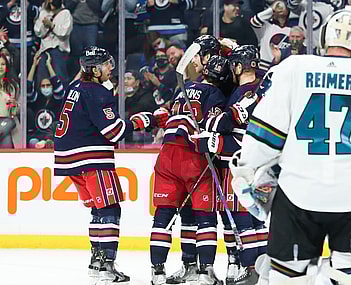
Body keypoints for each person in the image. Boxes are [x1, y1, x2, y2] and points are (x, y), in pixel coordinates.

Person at [230, 7, 351, 285]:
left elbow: (266, 133)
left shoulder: (294, 68)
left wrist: (247, 169)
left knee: (287, 273)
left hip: (300, 190)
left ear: (323, 38)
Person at [53, 46, 158, 284]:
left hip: (70, 159)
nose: (111, 67)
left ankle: (96, 262)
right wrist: (144, 120)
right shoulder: (97, 92)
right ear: (94, 68)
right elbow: (115, 131)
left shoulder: (75, 88)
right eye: (106, 64)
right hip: (92, 158)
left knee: (98, 210)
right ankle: (106, 266)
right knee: (110, 209)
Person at [191, 45, 267, 285]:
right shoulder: (253, 88)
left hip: (241, 166)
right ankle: (261, 269)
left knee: (242, 218)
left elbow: (229, 127)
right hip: (259, 165)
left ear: (238, 66)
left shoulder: (249, 93)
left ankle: (251, 269)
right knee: (256, 220)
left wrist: (214, 139)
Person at [150, 55, 229, 285]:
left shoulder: (183, 89)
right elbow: (215, 124)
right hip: (192, 154)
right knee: (205, 217)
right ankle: (205, 273)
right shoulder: (215, 94)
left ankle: (157, 272)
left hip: (166, 154)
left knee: (164, 215)